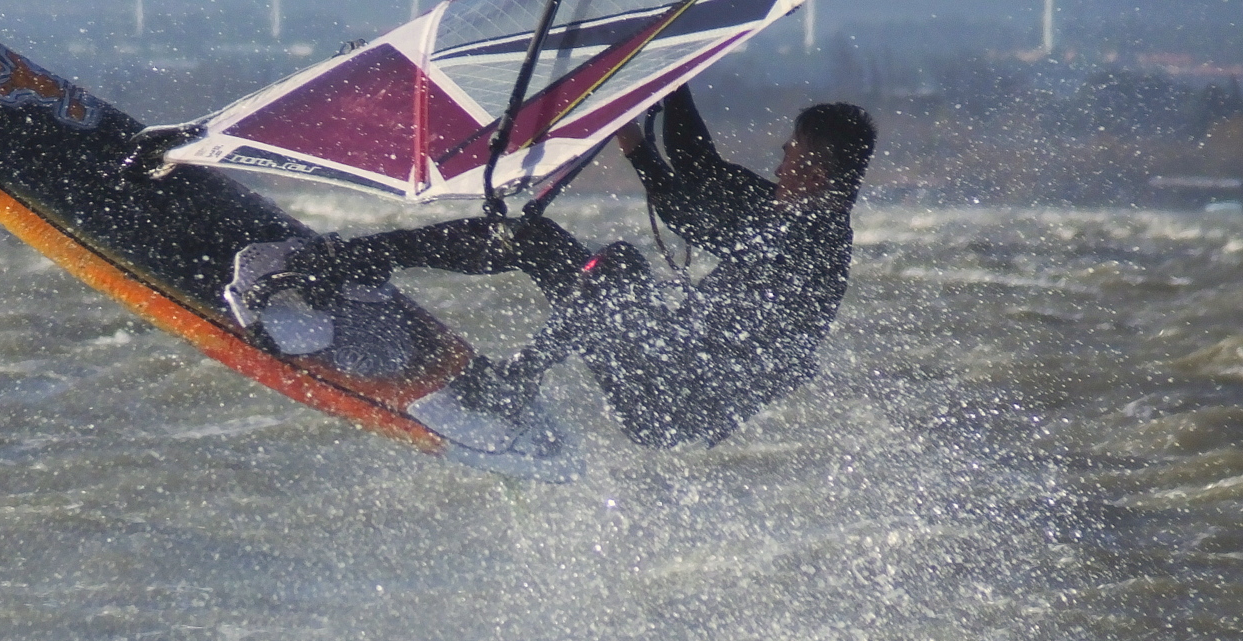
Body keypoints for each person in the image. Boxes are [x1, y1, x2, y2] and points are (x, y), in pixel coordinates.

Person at [277, 88, 876, 448]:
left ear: (817, 168)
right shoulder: (789, 213)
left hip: (675, 400)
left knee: (614, 268)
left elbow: (694, 215)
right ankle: (348, 261)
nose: (781, 156)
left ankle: (512, 386)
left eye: (793, 149)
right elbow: (698, 168)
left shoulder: (813, 240)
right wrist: (666, 89)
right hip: (665, 360)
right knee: (535, 238)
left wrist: (641, 145)